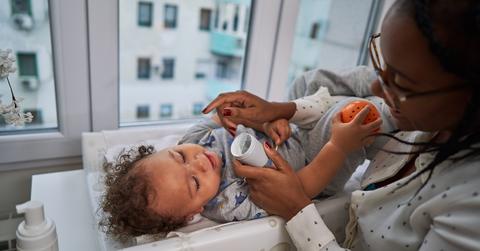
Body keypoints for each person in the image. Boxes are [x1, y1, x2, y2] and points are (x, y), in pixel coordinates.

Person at [202, 0, 480, 250]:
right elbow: (354, 91)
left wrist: (297, 208)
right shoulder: (423, 120)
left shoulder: (468, 208)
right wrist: (280, 110)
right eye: (380, 64)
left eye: (401, 83)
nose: (376, 84)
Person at [100, 103, 381, 241]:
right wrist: (337, 145)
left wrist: (265, 121)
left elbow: (225, 117)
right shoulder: (230, 199)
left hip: (288, 134)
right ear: (192, 213)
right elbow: (301, 189)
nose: (198, 162)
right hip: (316, 161)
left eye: (179, 156)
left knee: (308, 83)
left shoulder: (192, 140)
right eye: (195, 183)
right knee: (347, 112)